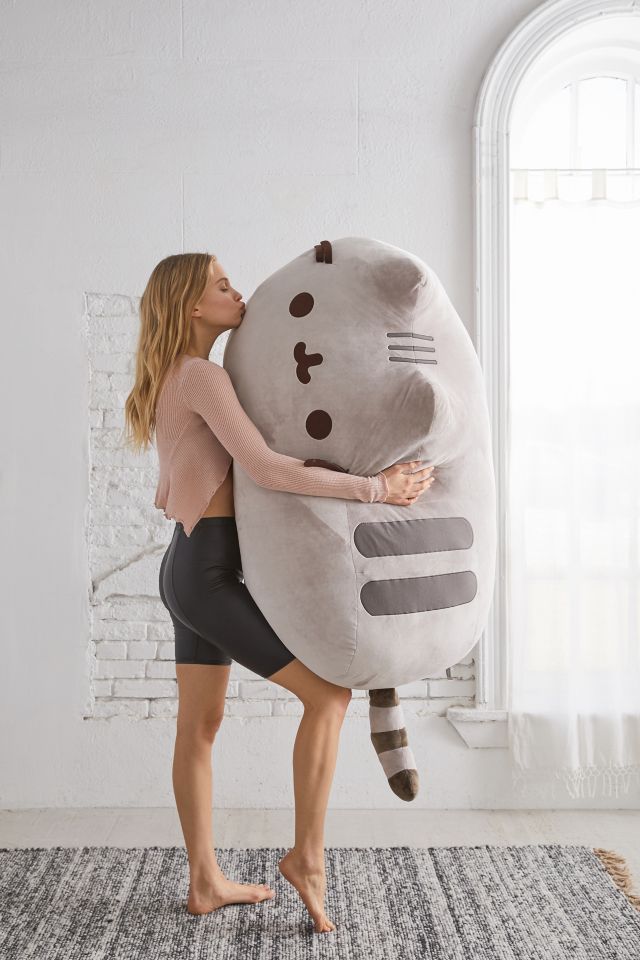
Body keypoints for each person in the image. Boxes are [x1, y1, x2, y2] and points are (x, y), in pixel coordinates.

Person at [123, 252, 435, 934]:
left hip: (186, 568)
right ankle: (307, 859)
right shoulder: (200, 375)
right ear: (192, 306)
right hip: (206, 576)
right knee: (328, 697)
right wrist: (377, 489)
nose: (237, 292)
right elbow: (265, 468)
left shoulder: (177, 373)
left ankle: (205, 881)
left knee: (198, 729)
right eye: (222, 285)